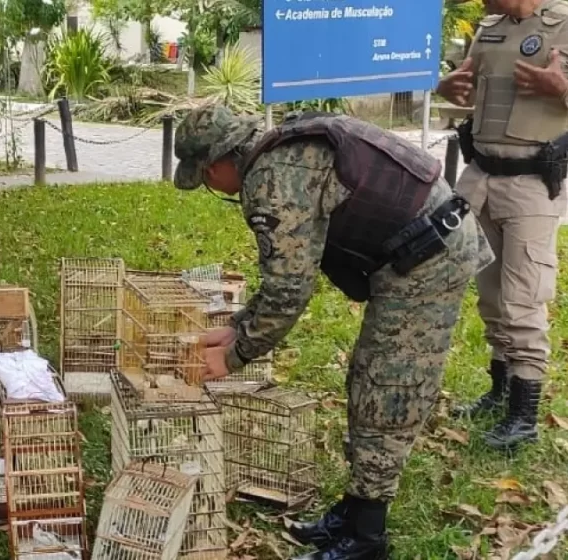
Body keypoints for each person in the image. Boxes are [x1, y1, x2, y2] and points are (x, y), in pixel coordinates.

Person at [174, 104, 494, 560]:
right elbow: (287, 276)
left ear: (219, 162)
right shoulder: (279, 152)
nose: (210, 186)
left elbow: (290, 290)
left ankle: (367, 539)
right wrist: (237, 327)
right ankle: (352, 512)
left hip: (430, 258)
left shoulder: (271, 179)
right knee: (365, 380)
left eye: (205, 177)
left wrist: (233, 356)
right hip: (418, 244)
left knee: (386, 391)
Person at [436, 0, 568, 450]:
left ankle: (523, 417)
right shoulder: (490, 27)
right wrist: (447, 87)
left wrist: (561, 87)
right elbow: (472, 94)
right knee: (491, 294)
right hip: (480, 178)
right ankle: (499, 391)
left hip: (532, 183)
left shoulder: (565, 24)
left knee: (523, 297)